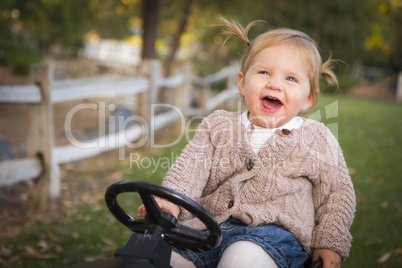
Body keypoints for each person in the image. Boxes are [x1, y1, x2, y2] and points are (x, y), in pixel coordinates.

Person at [138, 17, 356, 268]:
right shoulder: (218, 126)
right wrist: (171, 201)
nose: (274, 84)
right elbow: (190, 169)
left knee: (241, 259)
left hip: (274, 235)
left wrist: (330, 241)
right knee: (163, 259)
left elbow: (338, 193)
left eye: (291, 79)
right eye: (264, 72)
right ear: (242, 82)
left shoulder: (315, 137)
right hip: (208, 228)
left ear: (308, 99)